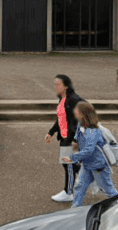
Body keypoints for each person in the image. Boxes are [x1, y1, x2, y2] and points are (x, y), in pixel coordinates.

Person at [63, 101, 118, 207]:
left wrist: (72, 157)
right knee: (79, 186)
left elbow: (89, 150)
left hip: (99, 166)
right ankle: (74, 210)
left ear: (83, 114)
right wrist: (75, 143)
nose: (75, 111)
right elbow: (78, 137)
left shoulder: (93, 131)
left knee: (108, 190)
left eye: (77, 110)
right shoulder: (81, 125)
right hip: (87, 165)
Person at [45, 74, 83, 202]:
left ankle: (68, 192)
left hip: (70, 138)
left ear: (66, 86)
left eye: (58, 84)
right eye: (54, 84)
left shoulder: (73, 100)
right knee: (67, 163)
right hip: (64, 136)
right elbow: (61, 118)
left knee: (67, 163)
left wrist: (76, 139)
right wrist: (51, 132)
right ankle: (88, 175)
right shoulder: (62, 99)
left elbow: (83, 117)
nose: (55, 87)